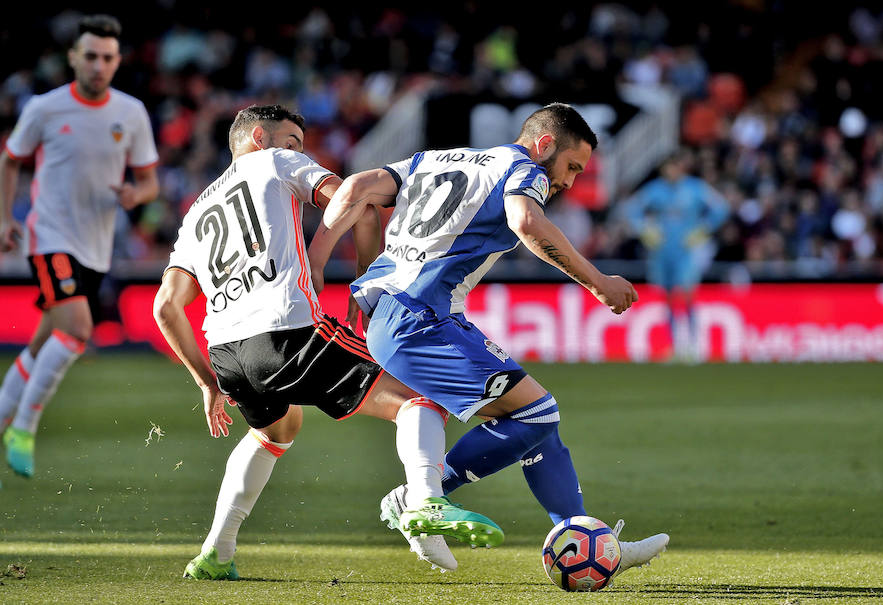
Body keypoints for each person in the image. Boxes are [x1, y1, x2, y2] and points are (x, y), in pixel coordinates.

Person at [311, 103, 669, 577]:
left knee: (541, 423)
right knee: (538, 411)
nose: (570, 181)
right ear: (545, 146)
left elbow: (356, 188)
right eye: (572, 166)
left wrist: (323, 263)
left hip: (411, 313)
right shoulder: (524, 170)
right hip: (419, 318)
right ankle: (419, 497)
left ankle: (585, 535)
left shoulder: (435, 159)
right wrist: (597, 280)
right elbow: (525, 223)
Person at [154, 104, 500, 580]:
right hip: (287, 329)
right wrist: (365, 278)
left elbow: (166, 307)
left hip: (227, 353)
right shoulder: (275, 161)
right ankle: (426, 504)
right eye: (295, 142)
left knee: (277, 431)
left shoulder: (195, 213)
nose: (301, 151)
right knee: (418, 398)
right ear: (260, 137)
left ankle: (217, 551)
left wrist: (208, 384)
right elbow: (358, 199)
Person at [0, 15, 159, 481]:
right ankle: (24, 428)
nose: (98, 65)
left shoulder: (130, 113)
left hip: (95, 247)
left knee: (43, 340)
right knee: (77, 328)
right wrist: (5, 218)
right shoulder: (45, 109)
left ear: (117, 61)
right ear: (73, 58)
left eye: (107, 58)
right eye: (90, 56)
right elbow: (10, 161)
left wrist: (137, 195)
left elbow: (148, 181)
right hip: (49, 235)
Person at [622, 149, 729, 361]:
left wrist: (703, 229)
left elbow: (721, 208)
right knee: (669, 298)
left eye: (675, 166)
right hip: (662, 252)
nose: (671, 171)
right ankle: (674, 347)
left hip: (687, 252)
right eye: (667, 167)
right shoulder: (655, 190)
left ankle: (694, 346)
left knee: (688, 295)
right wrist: (645, 229)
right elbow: (631, 209)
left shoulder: (695, 188)